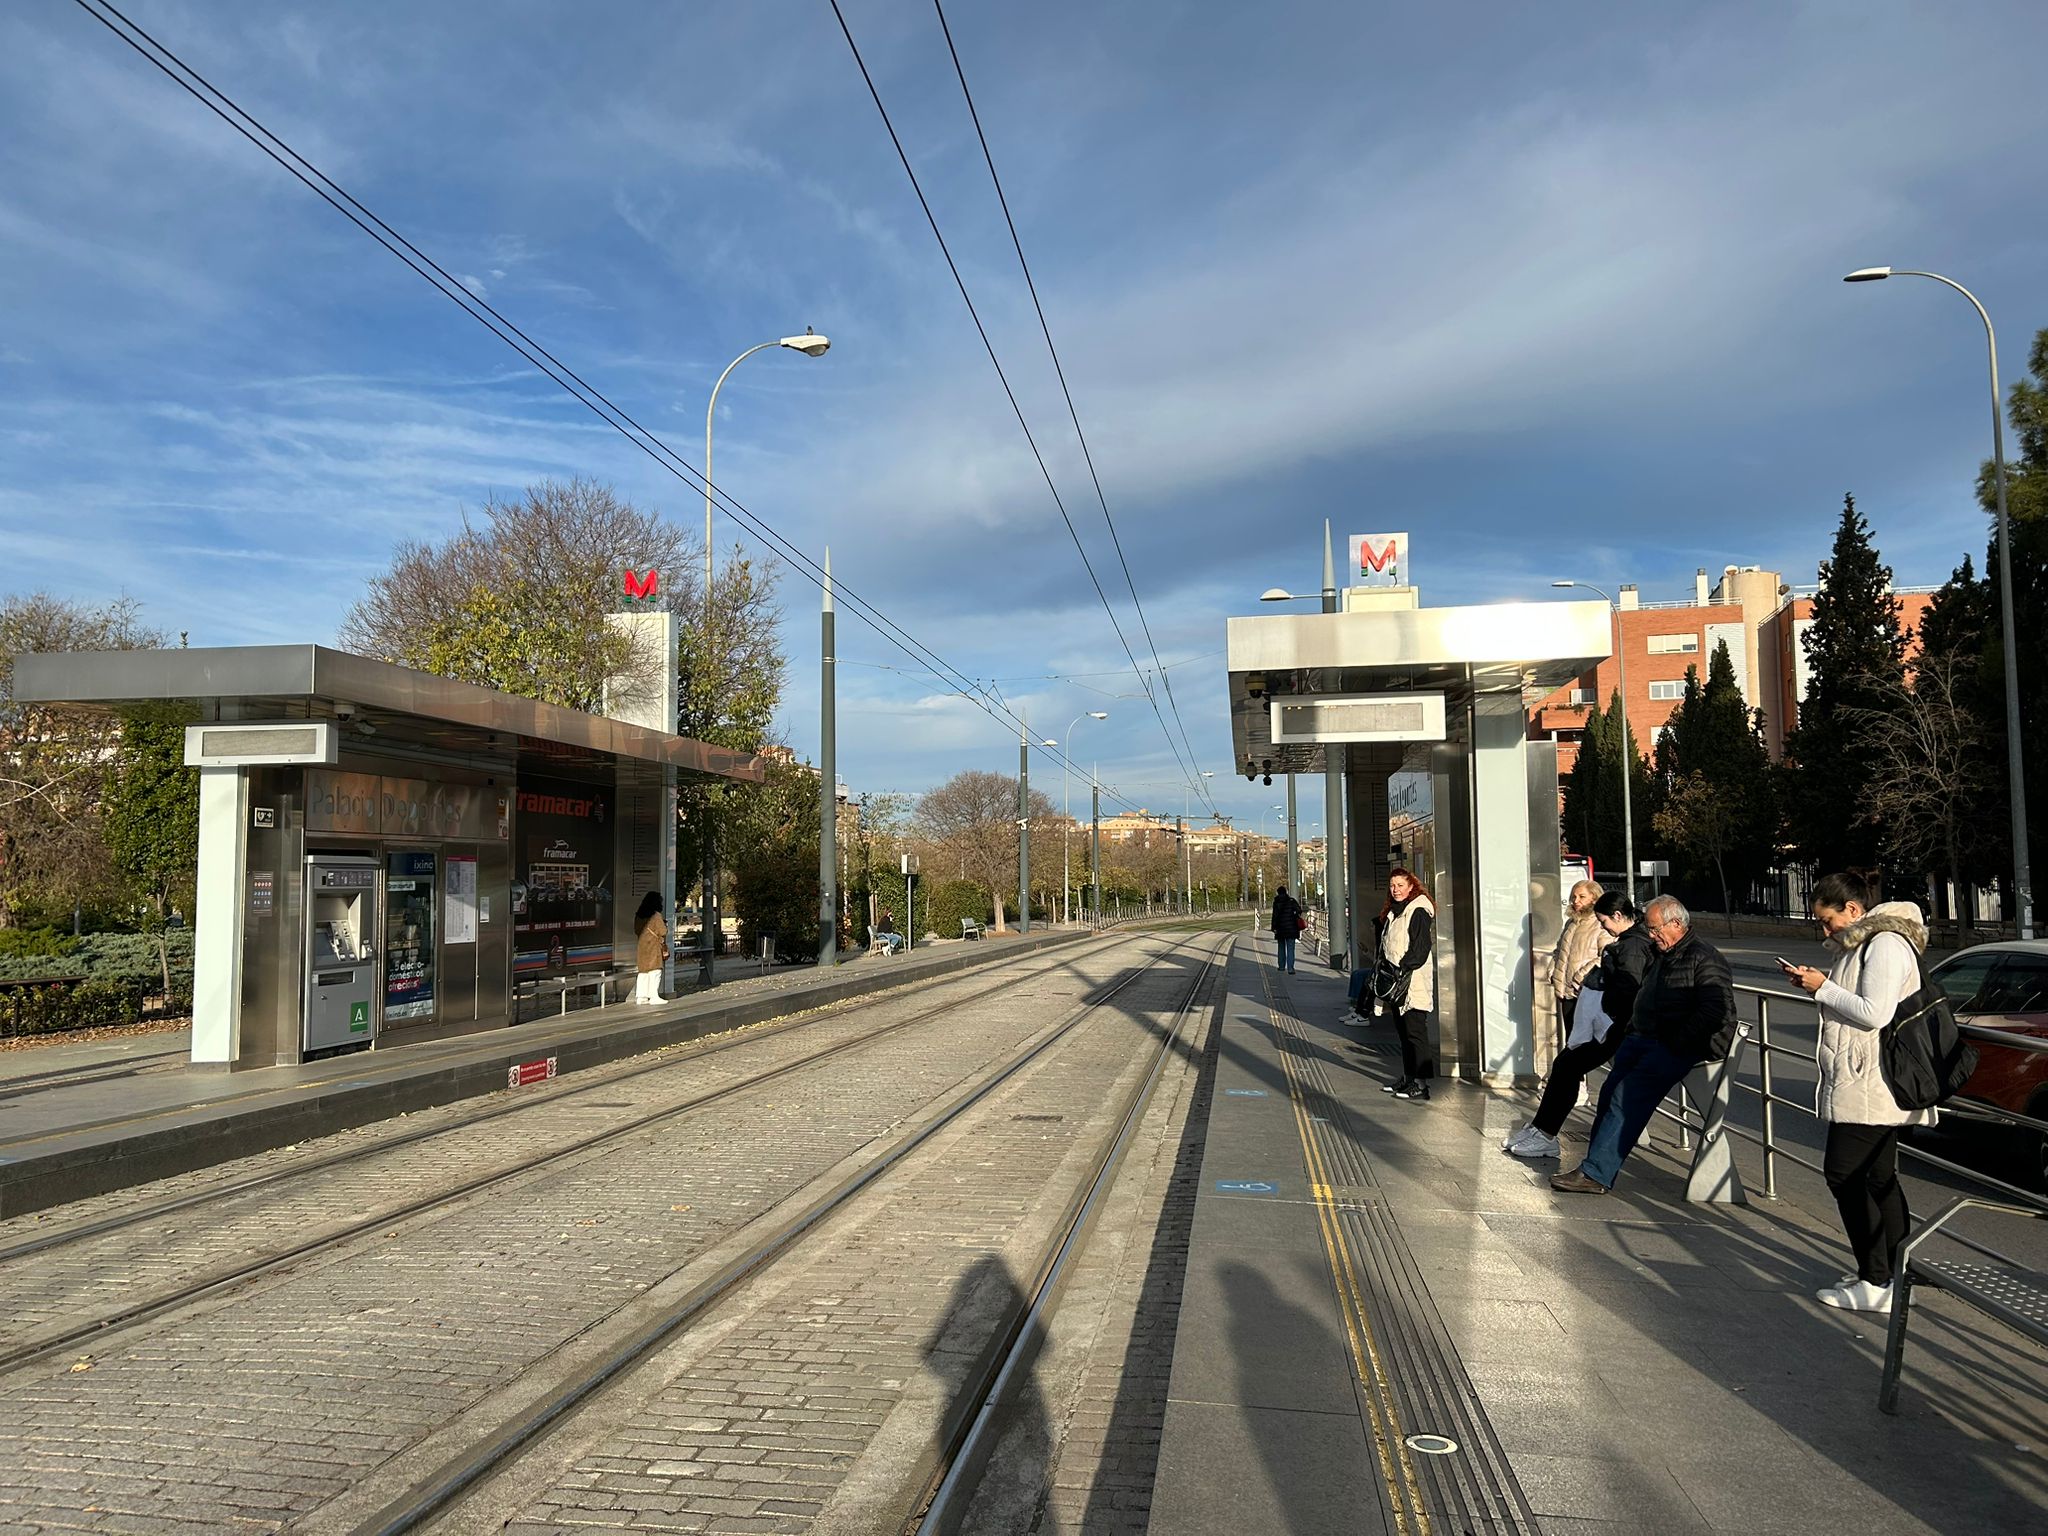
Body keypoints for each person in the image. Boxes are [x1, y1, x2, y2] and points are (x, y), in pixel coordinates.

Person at [1781, 872, 1932, 1312]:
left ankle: (1876, 1279)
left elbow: (1875, 1013)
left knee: (1843, 1174)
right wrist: (1820, 986)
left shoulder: (1884, 944)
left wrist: (1823, 987)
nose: (1825, 930)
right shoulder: (1864, 942)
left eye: (1828, 921)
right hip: (1864, 1080)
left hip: (1871, 1084)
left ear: (1852, 909)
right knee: (1878, 1177)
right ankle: (1894, 1273)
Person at [1550, 894, 1735, 1194]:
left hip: (1676, 1046)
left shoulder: (1704, 958)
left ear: (1676, 924)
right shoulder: (1662, 953)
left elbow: (1716, 1012)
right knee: (1610, 1092)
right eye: (1649, 929)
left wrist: (1676, 1041)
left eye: (1655, 928)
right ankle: (1593, 1164)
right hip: (1645, 1037)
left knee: (1626, 1095)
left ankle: (1596, 1174)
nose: (1651, 935)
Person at [1505, 892, 1651, 1159]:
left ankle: (1545, 1132)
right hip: (1613, 1026)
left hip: (1614, 1027)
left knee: (1567, 1066)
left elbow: (1628, 990)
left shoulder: (1631, 947)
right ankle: (1542, 1128)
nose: (1603, 926)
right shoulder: (1630, 942)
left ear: (1618, 916)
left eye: (1604, 920)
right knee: (1566, 1066)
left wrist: (1602, 1002)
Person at [1375, 868, 1438, 1101]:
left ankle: (1421, 1084)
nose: (1396, 890)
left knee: (1415, 1033)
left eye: (1401, 885)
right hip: (1398, 982)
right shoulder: (1396, 911)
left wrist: (1401, 969)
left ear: (1411, 886)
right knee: (1403, 1033)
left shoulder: (1418, 910)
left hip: (1412, 982)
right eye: (1392, 886)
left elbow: (1421, 948)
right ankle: (1409, 1076)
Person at [1549, 880, 1613, 1048]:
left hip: (1587, 992)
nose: (1576, 901)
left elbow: (1606, 955)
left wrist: (1581, 976)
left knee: (1592, 1041)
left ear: (1594, 898)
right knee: (1572, 1040)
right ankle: (1574, 1075)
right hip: (1566, 992)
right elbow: (1559, 951)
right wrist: (1553, 972)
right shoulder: (1571, 923)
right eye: (1574, 896)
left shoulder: (1601, 924)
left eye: (1582, 896)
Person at [633, 891, 667, 1005]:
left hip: (642, 946)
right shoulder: (656, 915)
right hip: (653, 946)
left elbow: (636, 930)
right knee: (655, 970)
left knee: (643, 971)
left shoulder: (639, 915)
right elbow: (663, 931)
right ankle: (653, 996)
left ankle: (641, 996)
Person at [1270, 885, 1303, 974]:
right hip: (1291, 928)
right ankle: (1290, 968)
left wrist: (1273, 928)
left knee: (1281, 947)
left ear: (1278, 893)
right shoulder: (1291, 901)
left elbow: (1274, 916)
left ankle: (1281, 966)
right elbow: (1299, 910)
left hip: (1280, 929)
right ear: (1286, 892)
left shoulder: (1276, 902)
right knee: (1290, 948)